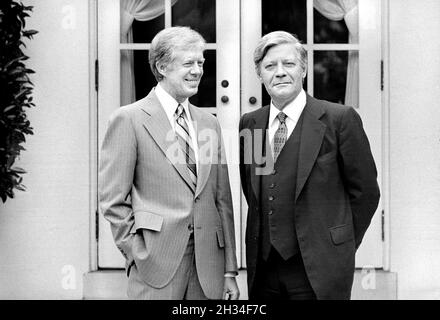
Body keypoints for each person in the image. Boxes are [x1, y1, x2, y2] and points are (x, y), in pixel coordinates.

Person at [99, 26, 239, 300]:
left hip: (209, 269)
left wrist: (229, 271)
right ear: (162, 67)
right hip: (155, 265)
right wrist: (136, 252)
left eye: (201, 62)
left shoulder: (209, 122)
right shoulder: (129, 119)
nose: (198, 70)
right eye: (188, 63)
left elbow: (222, 200)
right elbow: (112, 200)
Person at [239, 31, 380, 300]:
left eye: (288, 64)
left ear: (303, 68)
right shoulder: (251, 123)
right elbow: (253, 188)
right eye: (270, 66)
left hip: (320, 269)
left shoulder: (339, 119)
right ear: (259, 74)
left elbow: (365, 194)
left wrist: (340, 244)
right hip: (264, 269)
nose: (279, 72)